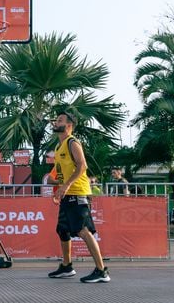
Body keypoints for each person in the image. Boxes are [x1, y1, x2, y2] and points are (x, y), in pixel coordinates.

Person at [47, 111, 110, 283]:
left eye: (59, 120)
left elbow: (82, 166)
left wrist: (66, 186)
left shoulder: (72, 142)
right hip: (67, 194)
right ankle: (67, 267)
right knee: (62, 230)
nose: (55, 122)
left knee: (83, 230)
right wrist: (58, 187)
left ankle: (101, 270)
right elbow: (61, 175)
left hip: (78, 193)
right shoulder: (58, 147)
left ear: (69, 125)